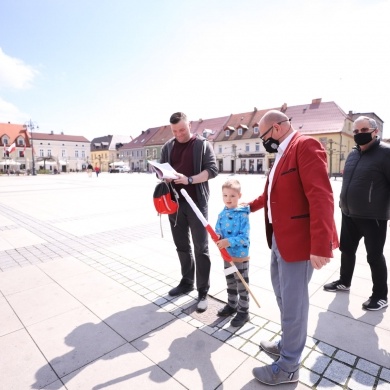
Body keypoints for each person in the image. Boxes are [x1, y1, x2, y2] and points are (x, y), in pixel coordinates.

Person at [248, 110, 339, 385]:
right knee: (283, 297)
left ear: (275, 129)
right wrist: (248, 207)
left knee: (294, 304)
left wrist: (321, 244)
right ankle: (288, 342)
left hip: (299, 243)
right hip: (280, 238)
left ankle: (288, 366)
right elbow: (271, 193)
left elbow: (321, 196)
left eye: (263, 136)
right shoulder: (281, 154)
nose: (263, 142)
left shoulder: (305, 146)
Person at [324, 116, 389, 311]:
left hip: (373, 217)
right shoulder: (353, 154)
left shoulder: (386, 154)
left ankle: (380, 295)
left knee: (374, 256)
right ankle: (345, 282)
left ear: (375, 131)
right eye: (356, 131)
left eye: (364, 130)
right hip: (349, 214)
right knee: (346, 250)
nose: (359, 134)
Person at [160, 112, 218, 313]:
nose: (179, 134)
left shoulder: (202, 145)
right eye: (175, 131)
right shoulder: (168, 146)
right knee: (181, 245)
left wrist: (190, 179)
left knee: (201, 248)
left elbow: (212, 170)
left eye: (182, 129)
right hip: (174, 203)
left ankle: (203, 291)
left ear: (190, 125)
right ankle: (187, 282)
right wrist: (163, 176)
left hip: (197, 203)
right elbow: (162, 169)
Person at [215, 179, 251, 327]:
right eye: (225, 195)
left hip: (240, 257)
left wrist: (228, 241)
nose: (228, 199)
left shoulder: (243, 215)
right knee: (230, 281)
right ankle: (232, 304)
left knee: (241, 284)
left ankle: (244, 311)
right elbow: (218, 230)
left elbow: (244, 237)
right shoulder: (222, 214)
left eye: (232, 196)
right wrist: (217, 236)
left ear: (239, 196)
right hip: (227, 256)